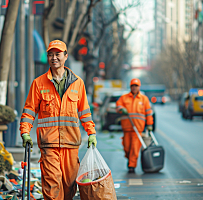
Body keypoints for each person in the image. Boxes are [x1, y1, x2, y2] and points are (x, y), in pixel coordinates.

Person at [19, 40, 97, 199]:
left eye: (57, 54)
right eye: (50, 54)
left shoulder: (78, 84)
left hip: (71, 144)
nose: (54, 58)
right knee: (52, 185)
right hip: (49, 144)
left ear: (65, 56)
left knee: (69, 187)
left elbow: (85, 112)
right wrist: (25, 133)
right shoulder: (38, 83)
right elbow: (29, 111)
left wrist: (91, 133)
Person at [116, 78, 153, 173]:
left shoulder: (144, 99)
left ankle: (132, 166)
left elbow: (148, 112)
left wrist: (149, 124)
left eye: (136, 86)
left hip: (138, 128)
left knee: (135, 148)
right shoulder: (124, 97)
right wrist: (121, 109)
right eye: (133, 86)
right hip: (126, 128)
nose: (134, 87)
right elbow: (118, 105)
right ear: (130, 87)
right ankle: (129, 159)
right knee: (127, 147)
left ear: (139, 87)